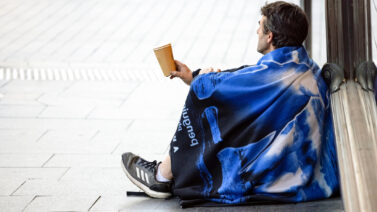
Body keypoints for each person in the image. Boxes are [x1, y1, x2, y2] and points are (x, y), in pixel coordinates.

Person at [121, 1, 339, 206]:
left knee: (204, 97)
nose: (257, 31)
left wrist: (201, 81)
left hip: (277, 173)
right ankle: (166, 171)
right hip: (303, 168)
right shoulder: (300, 65)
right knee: (222, 99)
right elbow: (246, 78)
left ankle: (162, 175)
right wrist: (193, 76)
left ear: (270, 36)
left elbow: (228, 86)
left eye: (260, 26)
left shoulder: (273, 76)